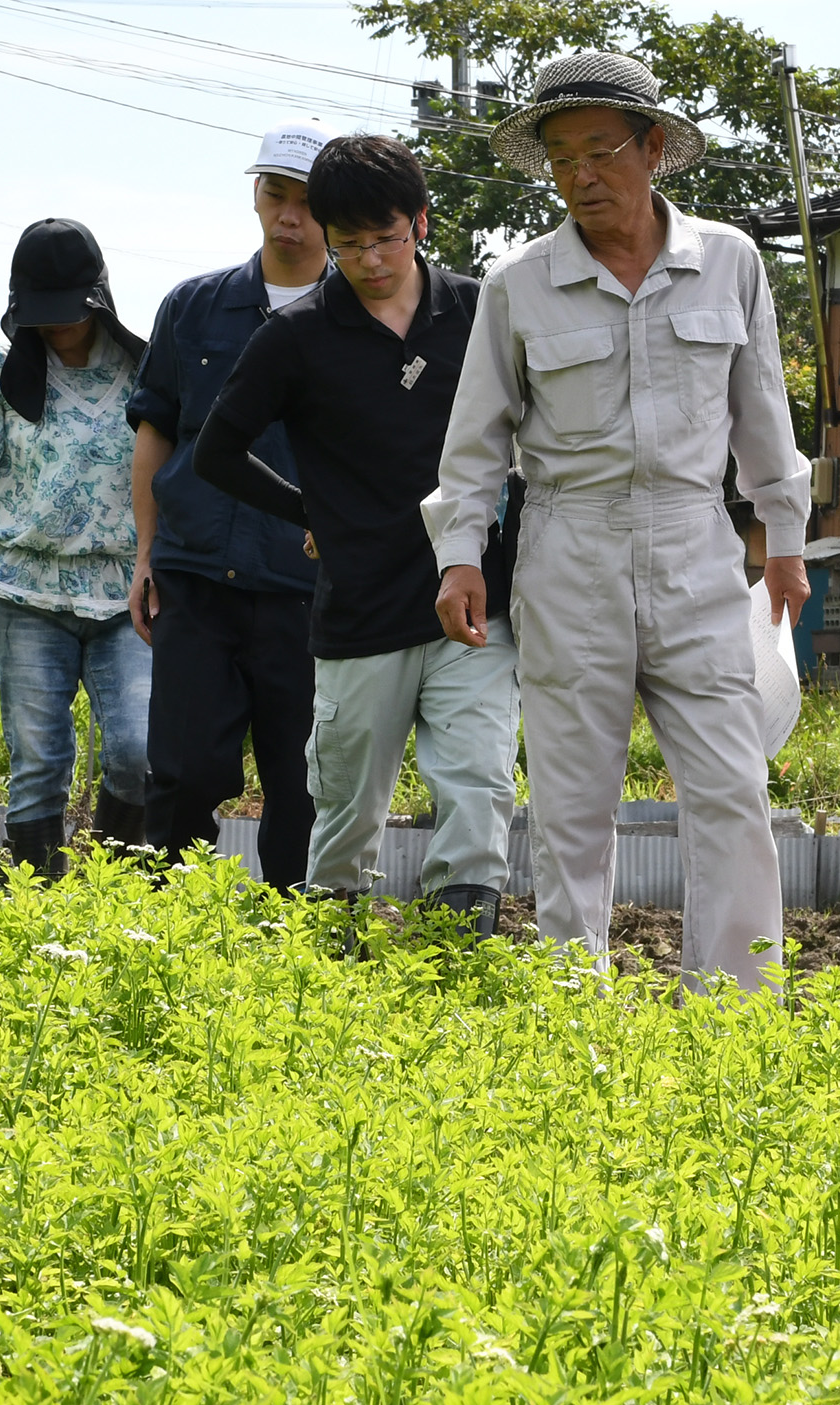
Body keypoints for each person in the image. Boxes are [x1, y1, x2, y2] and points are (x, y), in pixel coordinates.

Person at [425, 51, 811, 989]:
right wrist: (458, 554)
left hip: (694, 543)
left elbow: (762, 410)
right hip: (569, 547)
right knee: (570, 803)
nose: (580, 175)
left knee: (730, 787)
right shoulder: (518, 281)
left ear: (654, 147)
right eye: (559, 158)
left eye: (598, 151)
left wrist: (786, 540)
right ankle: (573, 1005)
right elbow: (475, 435)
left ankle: (735, 1007)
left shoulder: (728, 262)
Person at [194, 134, 519, 937]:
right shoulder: (298, 334)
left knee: (478, 783)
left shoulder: (479, 310)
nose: (371, 260)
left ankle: (459, 952)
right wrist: (313, 513)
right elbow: (215, 451)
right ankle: (332, 958)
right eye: (348, 245)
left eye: (386, 238)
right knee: (344, 808)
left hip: (475, 599)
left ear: (419, 221)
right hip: (361, 607)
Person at [126, 119, 333, 892]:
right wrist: (145, 557)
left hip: (306, 588)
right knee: (180, 770)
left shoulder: (357, 316)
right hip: (196, 575)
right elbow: (155, 436)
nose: (289, 216)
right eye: (275, 194)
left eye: (308, 203)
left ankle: (299, 937)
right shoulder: (194, 306)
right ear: (254, 194)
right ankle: (167, 932)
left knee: (303, 780)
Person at [0, 218, 149, 877]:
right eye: (43, 315)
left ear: (99, 300)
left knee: (138, 753)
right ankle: (38, 904)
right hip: (25, 594)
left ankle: (113, 891)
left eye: (70, 314)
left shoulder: (144, 368)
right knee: (38, 759)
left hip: (124, 597)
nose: (58, 328)